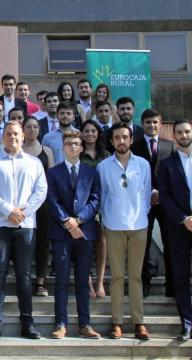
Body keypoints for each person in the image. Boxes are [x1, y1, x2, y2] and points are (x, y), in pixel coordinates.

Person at [0, 121, 47, 340]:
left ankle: (27, 323)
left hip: (25, 227)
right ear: (3, 137)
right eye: (9, 134)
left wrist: (23, 213)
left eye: (16, 133)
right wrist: (9, 210)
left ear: (23, 136)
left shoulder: (34, 163)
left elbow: (41, 191)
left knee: (24, 276)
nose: (13, 137)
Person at [97, 122, 151, 340]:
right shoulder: (103, 167)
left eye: (125, 137)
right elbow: (101, 197)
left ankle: (139, 322)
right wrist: (105, 221)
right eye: (117, 137)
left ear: (131, 140)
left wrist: (141, 216)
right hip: (113, 225)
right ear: (111, 141)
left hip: (139, 226)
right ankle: (117, 322)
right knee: (118, 276)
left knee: (136, 276)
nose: (121, 141)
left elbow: (146, 195)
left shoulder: (143, 165)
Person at [46, 129, 102, 339]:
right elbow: (51, 200)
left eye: (77, 143)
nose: (73, 146)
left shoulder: (91, 172)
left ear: (82, 146)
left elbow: (95, 200)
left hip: (85, 233)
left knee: (81, 280)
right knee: (61, 280)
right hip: (61, 233)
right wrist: (67, 222)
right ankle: (61, 323)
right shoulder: (53, 172)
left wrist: (78, 221)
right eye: (69, 143)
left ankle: (85, 324)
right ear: (63, 147)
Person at [130, 109, 176, 297]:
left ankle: (171, 285)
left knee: (170, 243)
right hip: (143, 203)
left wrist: (160, 193)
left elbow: (173, 175)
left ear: (161, 123)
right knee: (143, 245)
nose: (152, 125)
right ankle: (144, 283)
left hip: (166, 204)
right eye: (148, 122)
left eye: (155, 122)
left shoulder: (170, 146)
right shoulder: (135, 146)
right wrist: (149, 192)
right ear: (143, 123)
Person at [157, 119, 192, 341]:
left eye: (187, 131)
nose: (183, 135)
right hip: (179, 227)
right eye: (179, 132)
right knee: (180, 277)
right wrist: (184, 218)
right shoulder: (167, 165)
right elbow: (165, 196)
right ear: (174, 136)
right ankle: (187, 323)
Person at [22, 116, 54, 297]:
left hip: (42, 204)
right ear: (23, 129)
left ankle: (41, 280)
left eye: (35, 127)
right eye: (29, 126)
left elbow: (51, 179)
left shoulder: (46, 151)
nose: (32, 130)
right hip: (22, 203)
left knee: (42, 242)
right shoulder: (18, 151)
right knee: (24, 242)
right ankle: (24, 277)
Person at [80, 120, 111, 298]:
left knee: (102, 241)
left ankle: (100, 282)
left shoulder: (106, 154)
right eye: (86, 131)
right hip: (83, 204)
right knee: (84, 244)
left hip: (103, 202)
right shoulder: (78, 153)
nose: (90, 134)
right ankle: (88, 284)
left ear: (98, 133)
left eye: (93, 131)